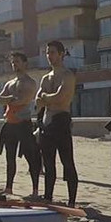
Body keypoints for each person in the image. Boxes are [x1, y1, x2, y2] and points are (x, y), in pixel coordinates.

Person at [34, 40, 78, 207]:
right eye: (47, 53)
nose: (49, 56)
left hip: (61, 121)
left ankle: (71, 200)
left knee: (67, 161)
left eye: (52, 52)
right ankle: (48, 196)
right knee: (48, 162)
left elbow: (62, 97)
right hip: (47, 123)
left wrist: (46, 98)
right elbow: (38, 101)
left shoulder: (67, 75)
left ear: (61, 54)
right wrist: (47, 98)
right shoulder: (46, 78)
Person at [0, 51, 41, 196]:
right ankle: (9, 188)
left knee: (31, 157)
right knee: (10, 158)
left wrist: (9, 99)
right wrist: (11, 98)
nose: (15, 64)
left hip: (23, 124)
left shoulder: (30, 82)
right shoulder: (10, 83)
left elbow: (23, 100)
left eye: (17, 62)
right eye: (13, 62)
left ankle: (35, 190)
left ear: (25, 63)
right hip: (10, 124)